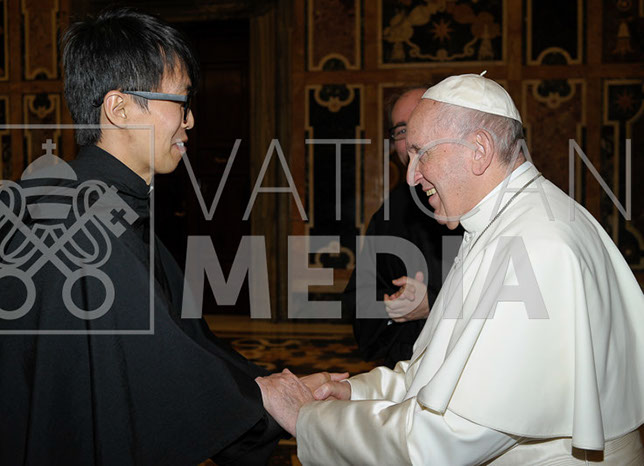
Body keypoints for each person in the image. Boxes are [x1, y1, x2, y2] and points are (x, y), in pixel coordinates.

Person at [0, 8, 289, 465]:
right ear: (120, 108)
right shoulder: (81, 228)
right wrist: (266, 403)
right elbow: (160, 381)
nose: (189, 121)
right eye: (180, 102)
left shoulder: (96, 205)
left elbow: (184, 342)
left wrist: (265, 387)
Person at [256, 73, 644, 464]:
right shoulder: (501, 223)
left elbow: (445, 441)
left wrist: (309, 418)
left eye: (422, 153)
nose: (411, 175)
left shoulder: (537, 246)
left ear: (479, 149)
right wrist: (358, 393)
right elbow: (438, 373)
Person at [342, 87, 462, 368]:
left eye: (421, 123)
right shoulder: (388, 216)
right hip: (407, 367)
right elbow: (359, 298)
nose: (411, 139)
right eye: (401, 130)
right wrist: (392, 307)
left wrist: (434, 303)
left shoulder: (476, 198)